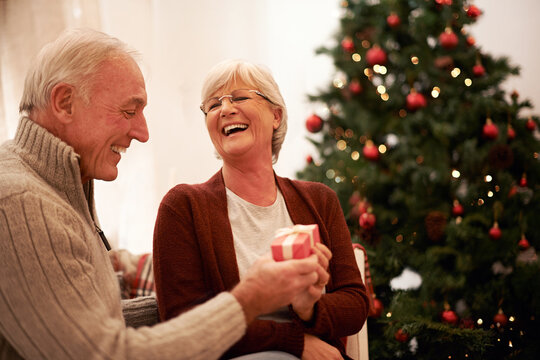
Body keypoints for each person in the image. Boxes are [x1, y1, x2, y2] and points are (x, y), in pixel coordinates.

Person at [0, 29, 328, 360]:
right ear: (64, 102)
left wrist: (189, 304)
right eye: (129, 111)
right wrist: (248, 299)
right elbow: (104, 353)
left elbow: (80, 325)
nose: (142, 133)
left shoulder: (60, 188)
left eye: (241, 98)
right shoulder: (22, 204)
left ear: (277, 116)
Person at [153, 59, 370, 360]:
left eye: (240, 97)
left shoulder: (319, 200)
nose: (226, 109)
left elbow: (355, 304)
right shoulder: (184, 207)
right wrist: (295, 341)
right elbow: (183, 322)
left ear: (276, 115)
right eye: (213, 104)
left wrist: (309, 307)